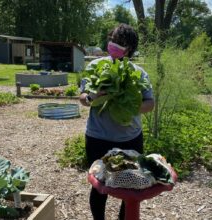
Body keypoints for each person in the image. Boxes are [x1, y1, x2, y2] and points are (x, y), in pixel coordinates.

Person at [79, 23, 154, 220]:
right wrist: (92, 96)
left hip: (130, 139)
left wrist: (127, 105)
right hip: (98, 138)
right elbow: (82, 98)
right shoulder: (96, 66)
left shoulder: (139, 72)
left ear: (129, 48)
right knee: (99, 186)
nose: (113, 45)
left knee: (129, 186)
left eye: (119, 43)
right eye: (112, 40)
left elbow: (150, 103)